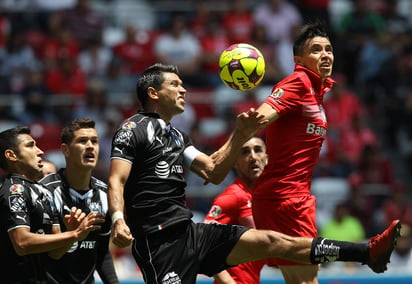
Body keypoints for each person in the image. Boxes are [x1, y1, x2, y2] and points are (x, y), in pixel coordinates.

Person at [108, 63, 401, 284]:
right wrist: (119, 219)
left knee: (272, 241)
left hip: (190, 232)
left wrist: (241, 134)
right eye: (175, 84)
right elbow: (116, 180)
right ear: (153, 93)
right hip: (158, 242)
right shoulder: (132, 129)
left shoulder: (177, 136)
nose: (183, 89)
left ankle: (367, 252)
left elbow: (213, 170)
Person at [247, 21, 391, 284]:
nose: (325, 54)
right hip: (287, 197)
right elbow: (260, 117)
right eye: (316, 50)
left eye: (329, 49)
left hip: (283, 195)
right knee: (306, 280)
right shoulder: (299, 81)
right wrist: (225, 153)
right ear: (299, 60)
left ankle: (367, 253)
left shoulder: (316, 91)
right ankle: (366, 252)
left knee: (299, 280)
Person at [0, 125, 104, 283]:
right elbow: (21, 242)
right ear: (11, 155)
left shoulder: (45, 192)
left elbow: (55, 253)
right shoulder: (14, 190)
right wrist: (74, 234)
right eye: (30, 146)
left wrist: (70, 232)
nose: (40, 151)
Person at [40, 118, 119, 284]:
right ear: (65, 150)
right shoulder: (45, 191)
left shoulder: (105, 193)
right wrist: (74, 234)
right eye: (82, 141)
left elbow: (102, 251)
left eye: (95, 141)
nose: (90, 146)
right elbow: (46, 253)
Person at [204, 136, 268, 284]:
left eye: (258, 150)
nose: (253, 156)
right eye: (245, 152)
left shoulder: (265, 201)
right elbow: (202, 245)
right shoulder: (232, 197)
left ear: (267, 158)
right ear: (235, 163)